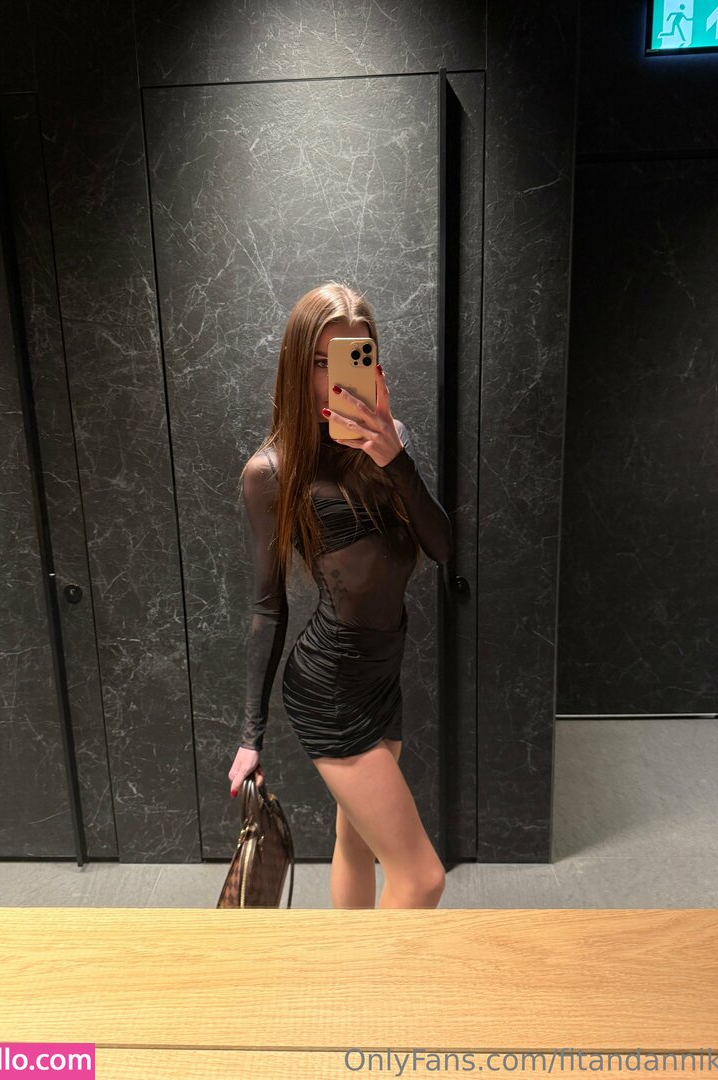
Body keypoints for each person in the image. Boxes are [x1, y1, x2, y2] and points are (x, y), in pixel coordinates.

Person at [228, 281, 453, 909]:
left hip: (382, 676)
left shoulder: (391, 440)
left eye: (350, 358)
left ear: (372, 362)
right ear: (297, 368)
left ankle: (347, 964)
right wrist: (251, 734)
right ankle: (380, 976)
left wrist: (396, 459)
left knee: (356, 843)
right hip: (329, 688)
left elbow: (442, 547)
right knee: (422, 877)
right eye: (319, 362)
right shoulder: (272, 473)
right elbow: (268, 606)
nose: (334, 379)